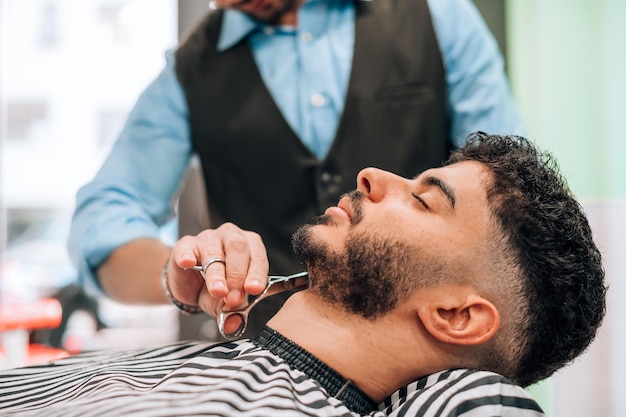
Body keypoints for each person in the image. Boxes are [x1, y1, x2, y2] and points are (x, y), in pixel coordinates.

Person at [2, 134, 606, 416]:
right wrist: (176, 270)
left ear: (455, 314)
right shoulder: (198, 62)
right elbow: (105, 219)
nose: (372, 174)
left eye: (424, 200)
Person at [67, 0, 526, 338]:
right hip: (267, 365)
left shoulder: (435, 17)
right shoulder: (191, 71)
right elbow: (103, 218)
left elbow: (506, 193)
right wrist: (176, 272)